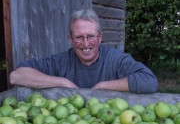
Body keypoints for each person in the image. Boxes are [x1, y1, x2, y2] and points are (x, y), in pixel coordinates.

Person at [10, 9, 158, 94]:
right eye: (79, 37)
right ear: (70, 39)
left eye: (91, 36)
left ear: (100, 38)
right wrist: (63, 82)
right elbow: (16, 76)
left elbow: (149, 81)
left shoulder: (117, 60)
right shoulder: (60, 61)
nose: (86, 43)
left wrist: (102, 86)